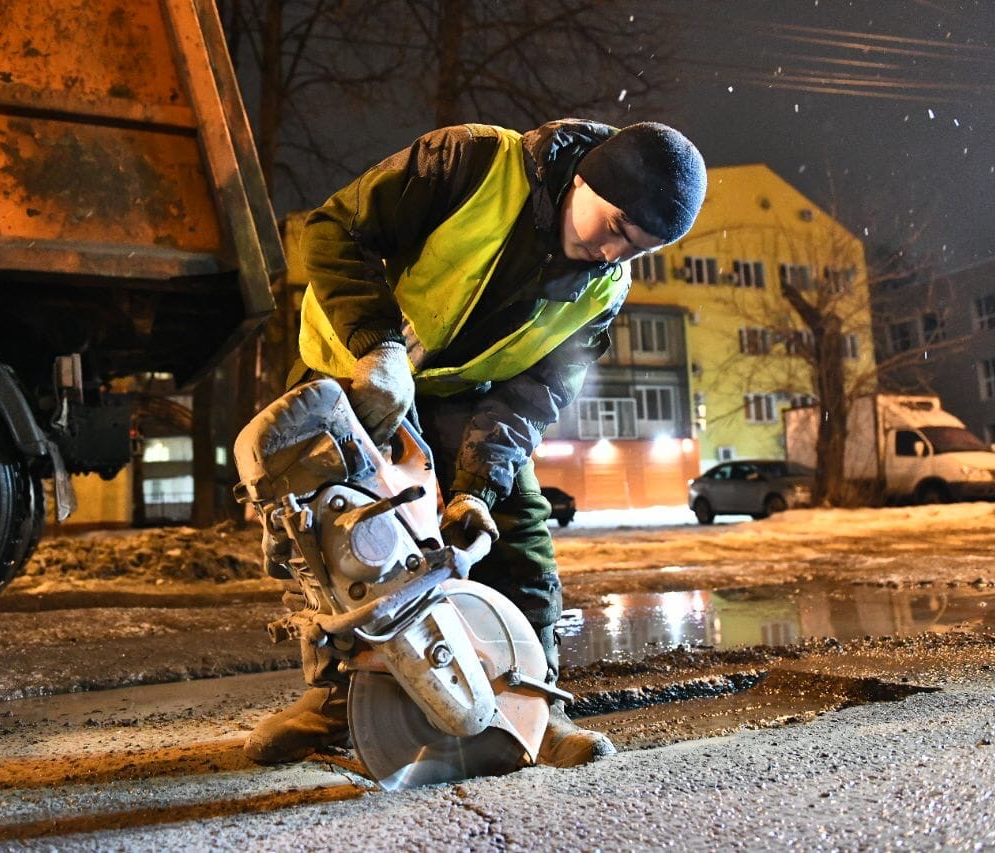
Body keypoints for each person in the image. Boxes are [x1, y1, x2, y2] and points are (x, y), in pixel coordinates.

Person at [244, 118, 707, 768]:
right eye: (616, 230)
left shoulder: (603, 291)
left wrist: (478, 488)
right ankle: (333, 701)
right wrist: (376, 344)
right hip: (353, 372)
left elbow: (535, 392)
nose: (612, 255)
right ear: (586, 181)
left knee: (514, 533)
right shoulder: (470, 164)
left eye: (635, 251)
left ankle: (538, 712)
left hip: (463, 394)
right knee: (340, 543)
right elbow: (330, 227)